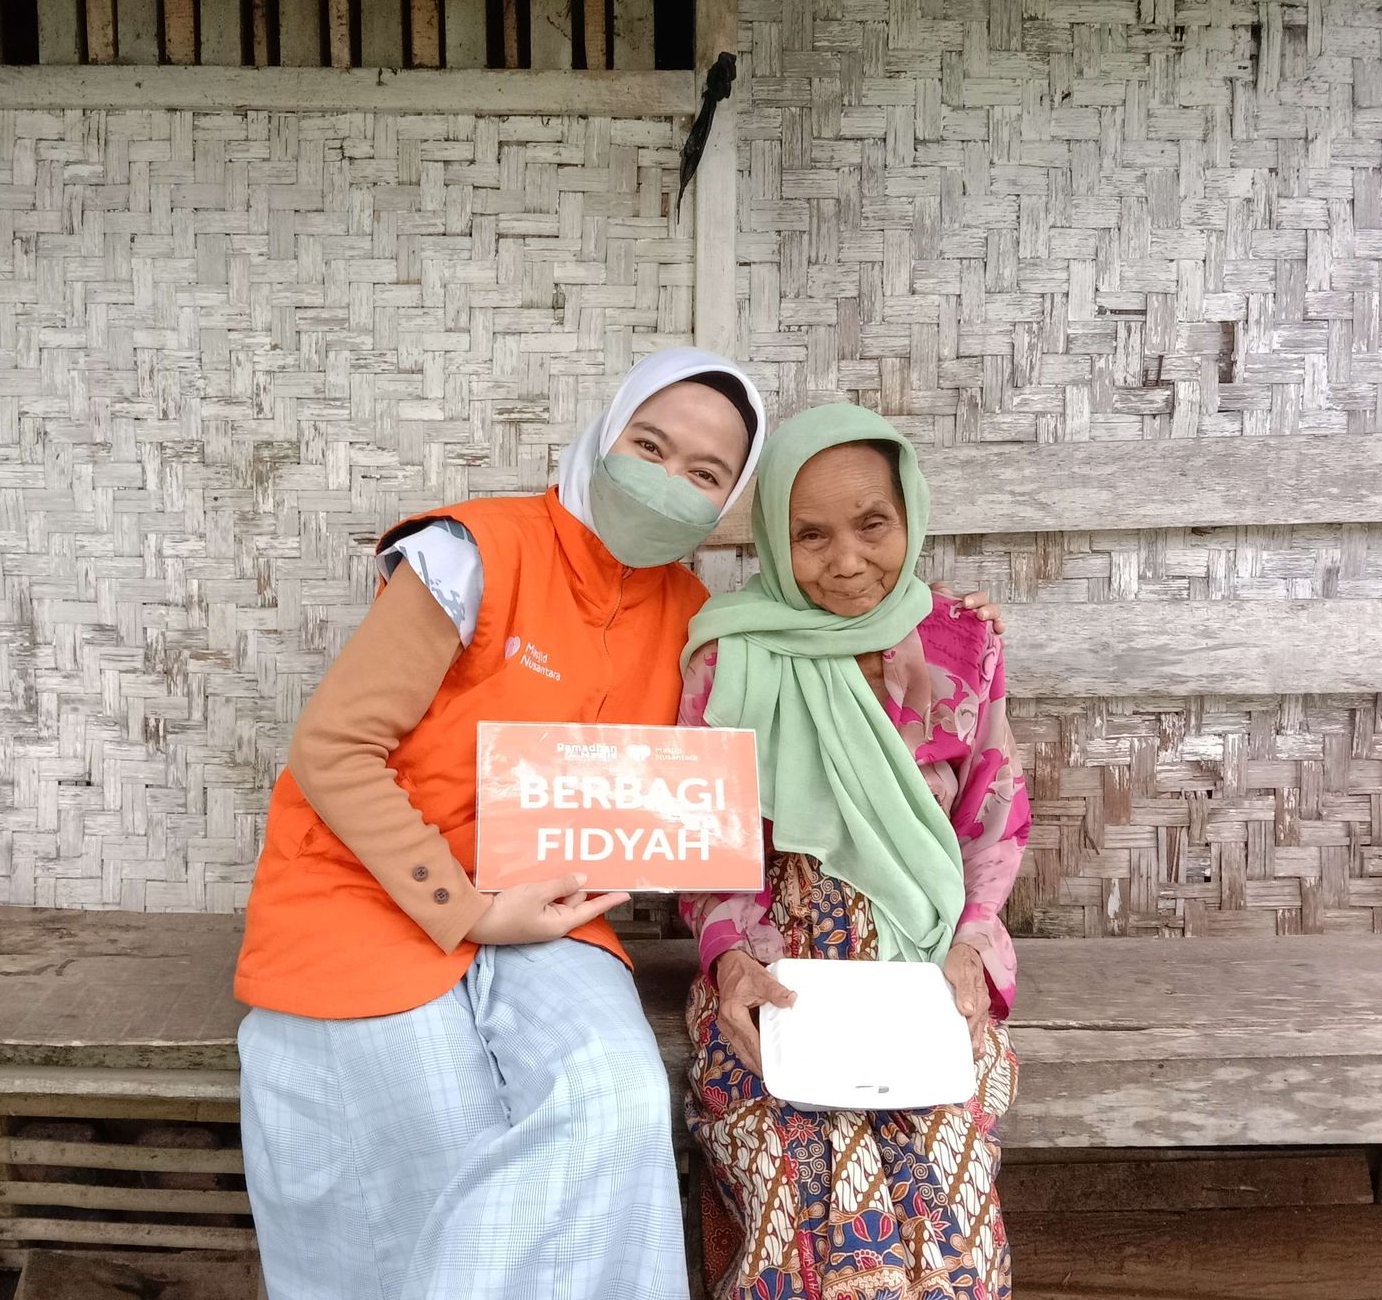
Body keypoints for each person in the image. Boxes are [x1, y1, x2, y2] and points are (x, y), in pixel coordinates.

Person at [235, 352, 1003, 1300]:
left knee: (617, 1096)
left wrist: (939, 625)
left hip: (551, 914)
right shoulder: (474, 555)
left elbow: (760, 735)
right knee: (433, 1130)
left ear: (729, 503)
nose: (669, 481)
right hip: (368, 897)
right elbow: (335, 748)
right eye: (650, 447)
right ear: (606, 435)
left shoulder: (698, 621)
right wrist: (468, 908)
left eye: (705, 473)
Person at [675, 403, 1032, 1300]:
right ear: (774, 537)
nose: (845, 561)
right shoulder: (732, 654)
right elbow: (704, 840)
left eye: (873, 524)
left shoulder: (962, 645)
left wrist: (971, 950)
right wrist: (732, 965)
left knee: (944, 1200)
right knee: (795, 1178)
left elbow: (994, 817)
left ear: (909, 517)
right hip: (778, 971)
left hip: (925, 968)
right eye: (811, 535)